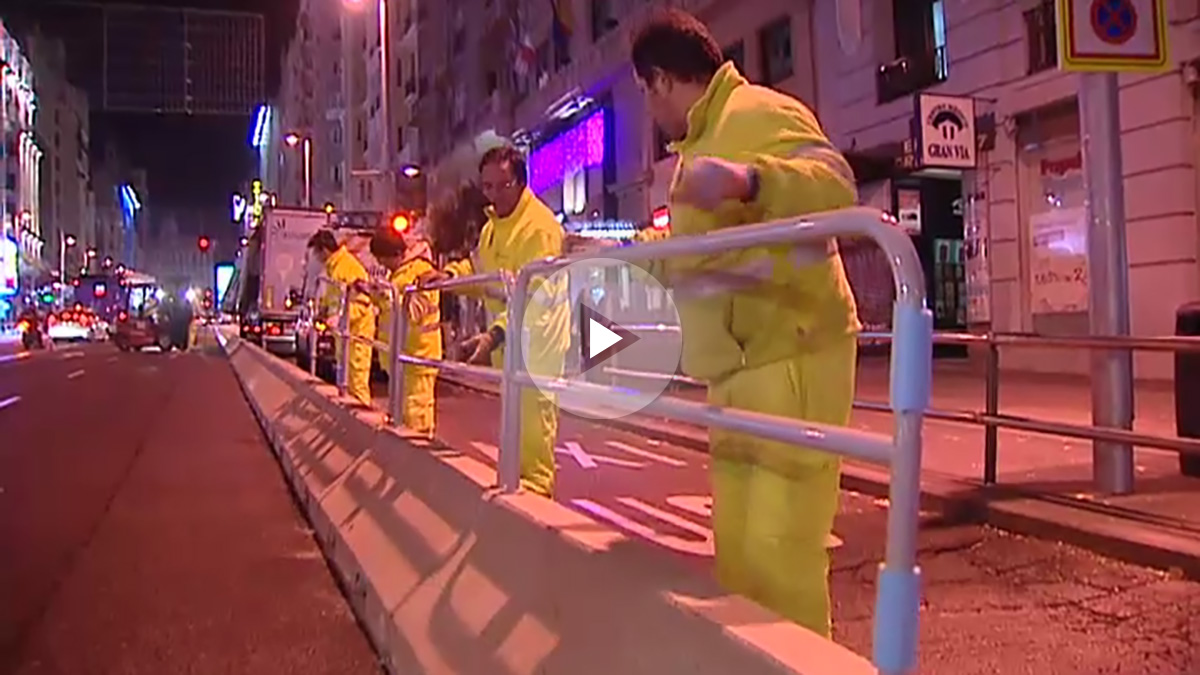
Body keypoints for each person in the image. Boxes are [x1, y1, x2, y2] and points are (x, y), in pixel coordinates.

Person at [626, 9, 861, 637]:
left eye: (646, 96)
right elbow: (703, 266)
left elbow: (838, 184)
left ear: (657, 82)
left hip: (792, 352)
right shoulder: (700, 142)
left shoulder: (757, 111)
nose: (650, 112)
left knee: (780, 551)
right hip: (735, 371)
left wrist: (749, 179)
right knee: (739, 555)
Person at [420, 147, 569, 497]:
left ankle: (536, 508)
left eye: (502, 185)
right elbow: (482, 271)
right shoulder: (493, 228)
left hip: (538, 350)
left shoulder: (540, 228)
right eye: (487, 186)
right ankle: (521, 500)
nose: (494, 194)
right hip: (512, 349)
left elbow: (536, 299)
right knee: (515, 436)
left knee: (533, 441)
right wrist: (447, 275)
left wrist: (494, 335)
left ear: (520, 182)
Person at [368, 228, 442, 437]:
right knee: (403, 415)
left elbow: (416, 311)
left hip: (418, 357)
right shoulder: (401, 274)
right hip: (404, 357)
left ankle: (419, 464)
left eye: (382, 260)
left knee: (416, 416)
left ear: (393, 254)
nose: (382, 265)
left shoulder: (421, 273)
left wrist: (386, 297)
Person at [307, 229, 376, 406]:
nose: (316, 258)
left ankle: (362, 424)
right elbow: (335, 297)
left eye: (316, 253)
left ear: (324, 250)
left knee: (357, 381)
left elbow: (363, 302)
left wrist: (340, 318)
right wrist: (323, 311)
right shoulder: (335, 267)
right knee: (346, 380)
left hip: (357, 335)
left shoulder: (347, 267)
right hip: (346, 336)